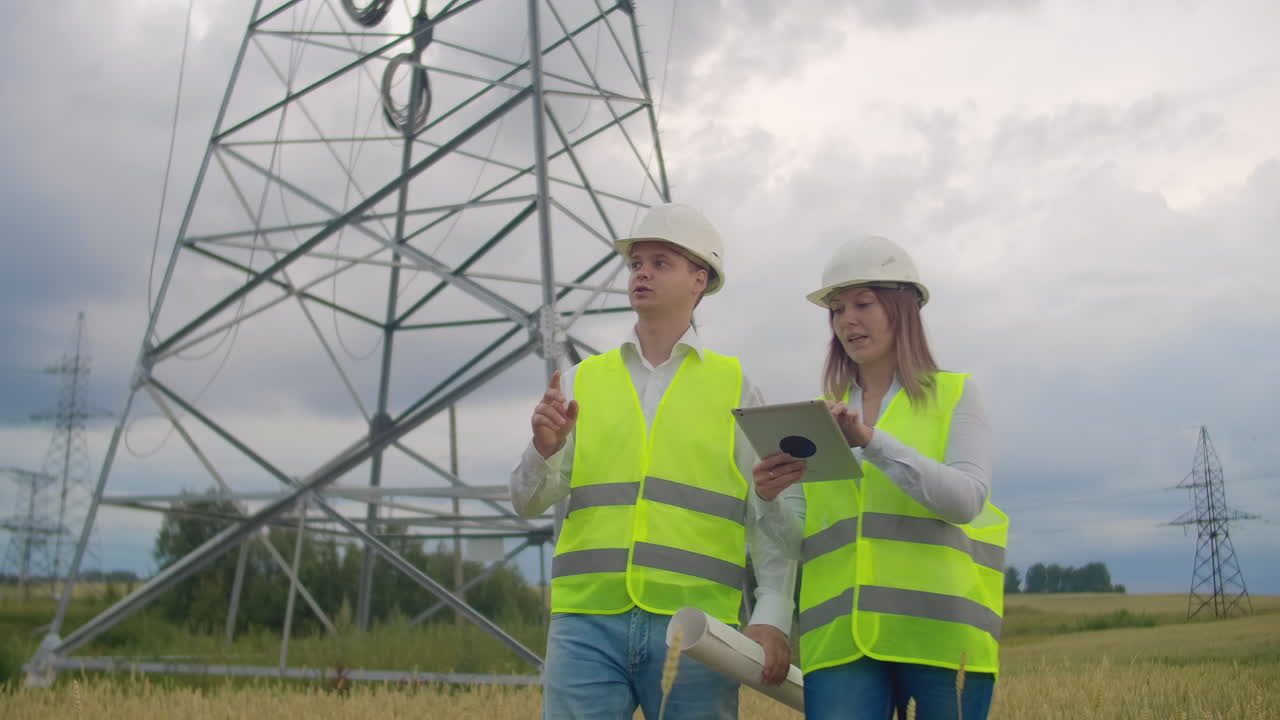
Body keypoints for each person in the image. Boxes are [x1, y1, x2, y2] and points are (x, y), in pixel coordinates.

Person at [510, 203, 796, 720]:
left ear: (699, 279)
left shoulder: (737, 388)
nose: (641, 272)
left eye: (660, 262)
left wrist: (772, 615)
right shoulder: (580, 381)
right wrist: (542, 450)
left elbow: (769, 514)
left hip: (698, 628)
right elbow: (526, 503)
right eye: (637, 263)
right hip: (585, 622)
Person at [753, 236, 1008, 720]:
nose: (847, 320)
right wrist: (768, 500)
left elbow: (966, 501)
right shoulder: (816, 418)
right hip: (840, 645)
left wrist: (873, 442)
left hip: (941, 638)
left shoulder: (956, 394)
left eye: (863, 304)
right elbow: (799, 543)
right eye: (837, 309)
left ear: (903, 308)